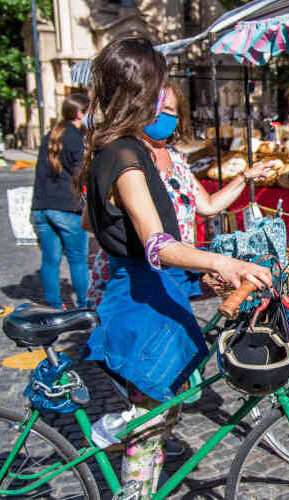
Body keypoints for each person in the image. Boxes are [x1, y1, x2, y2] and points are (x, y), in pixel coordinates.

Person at [76, 37, 272, 498]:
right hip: (140, 303)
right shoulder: (124, 157)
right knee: (149, 427)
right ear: (139, 92)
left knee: (160, 417)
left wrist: (202, 272)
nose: (167, 99)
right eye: (159, 86)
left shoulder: (133, 151)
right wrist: (224, 260)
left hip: (157, 293)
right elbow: (158, 244)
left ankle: (126, 441)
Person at [86, 80, 273, 307]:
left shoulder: (176, 158)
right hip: (135, 279)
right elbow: (91, 220)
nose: (158, 116)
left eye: (167, 111)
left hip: (173, 272)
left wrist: (245, 177)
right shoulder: (128, 157)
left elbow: (209, 206)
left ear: (178, 118)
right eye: (154, 108)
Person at [31, 93, 91, 310]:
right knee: (77, 260)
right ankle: (85, 305)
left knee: (50, 261)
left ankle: (54, 306)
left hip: (42, 206)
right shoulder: (75, 139)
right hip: (67, 207)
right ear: (79, 113)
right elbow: (81, 173)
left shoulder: (50, 135)